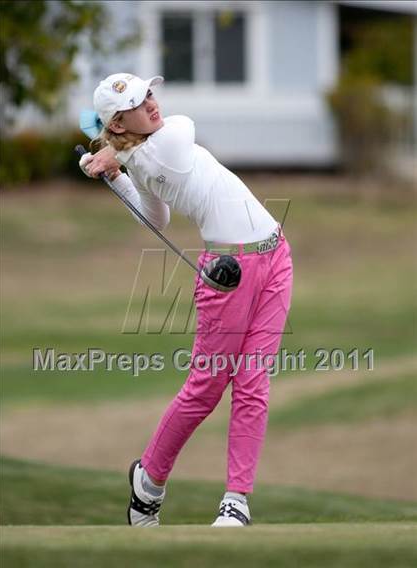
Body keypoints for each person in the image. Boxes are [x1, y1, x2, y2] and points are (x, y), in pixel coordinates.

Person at [80, 73, 293, 527]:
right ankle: (149, 481)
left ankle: (236, 500)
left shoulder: (145, 150)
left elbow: (156, 214)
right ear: (117, 123)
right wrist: (121, 166)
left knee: (253, 383)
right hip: (228, 275)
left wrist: (116, 163)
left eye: (149, 94)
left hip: (276, 255)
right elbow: (160, 198)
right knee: (206, 389)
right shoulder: (162, 146)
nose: (152, 105)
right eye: (138, 104)